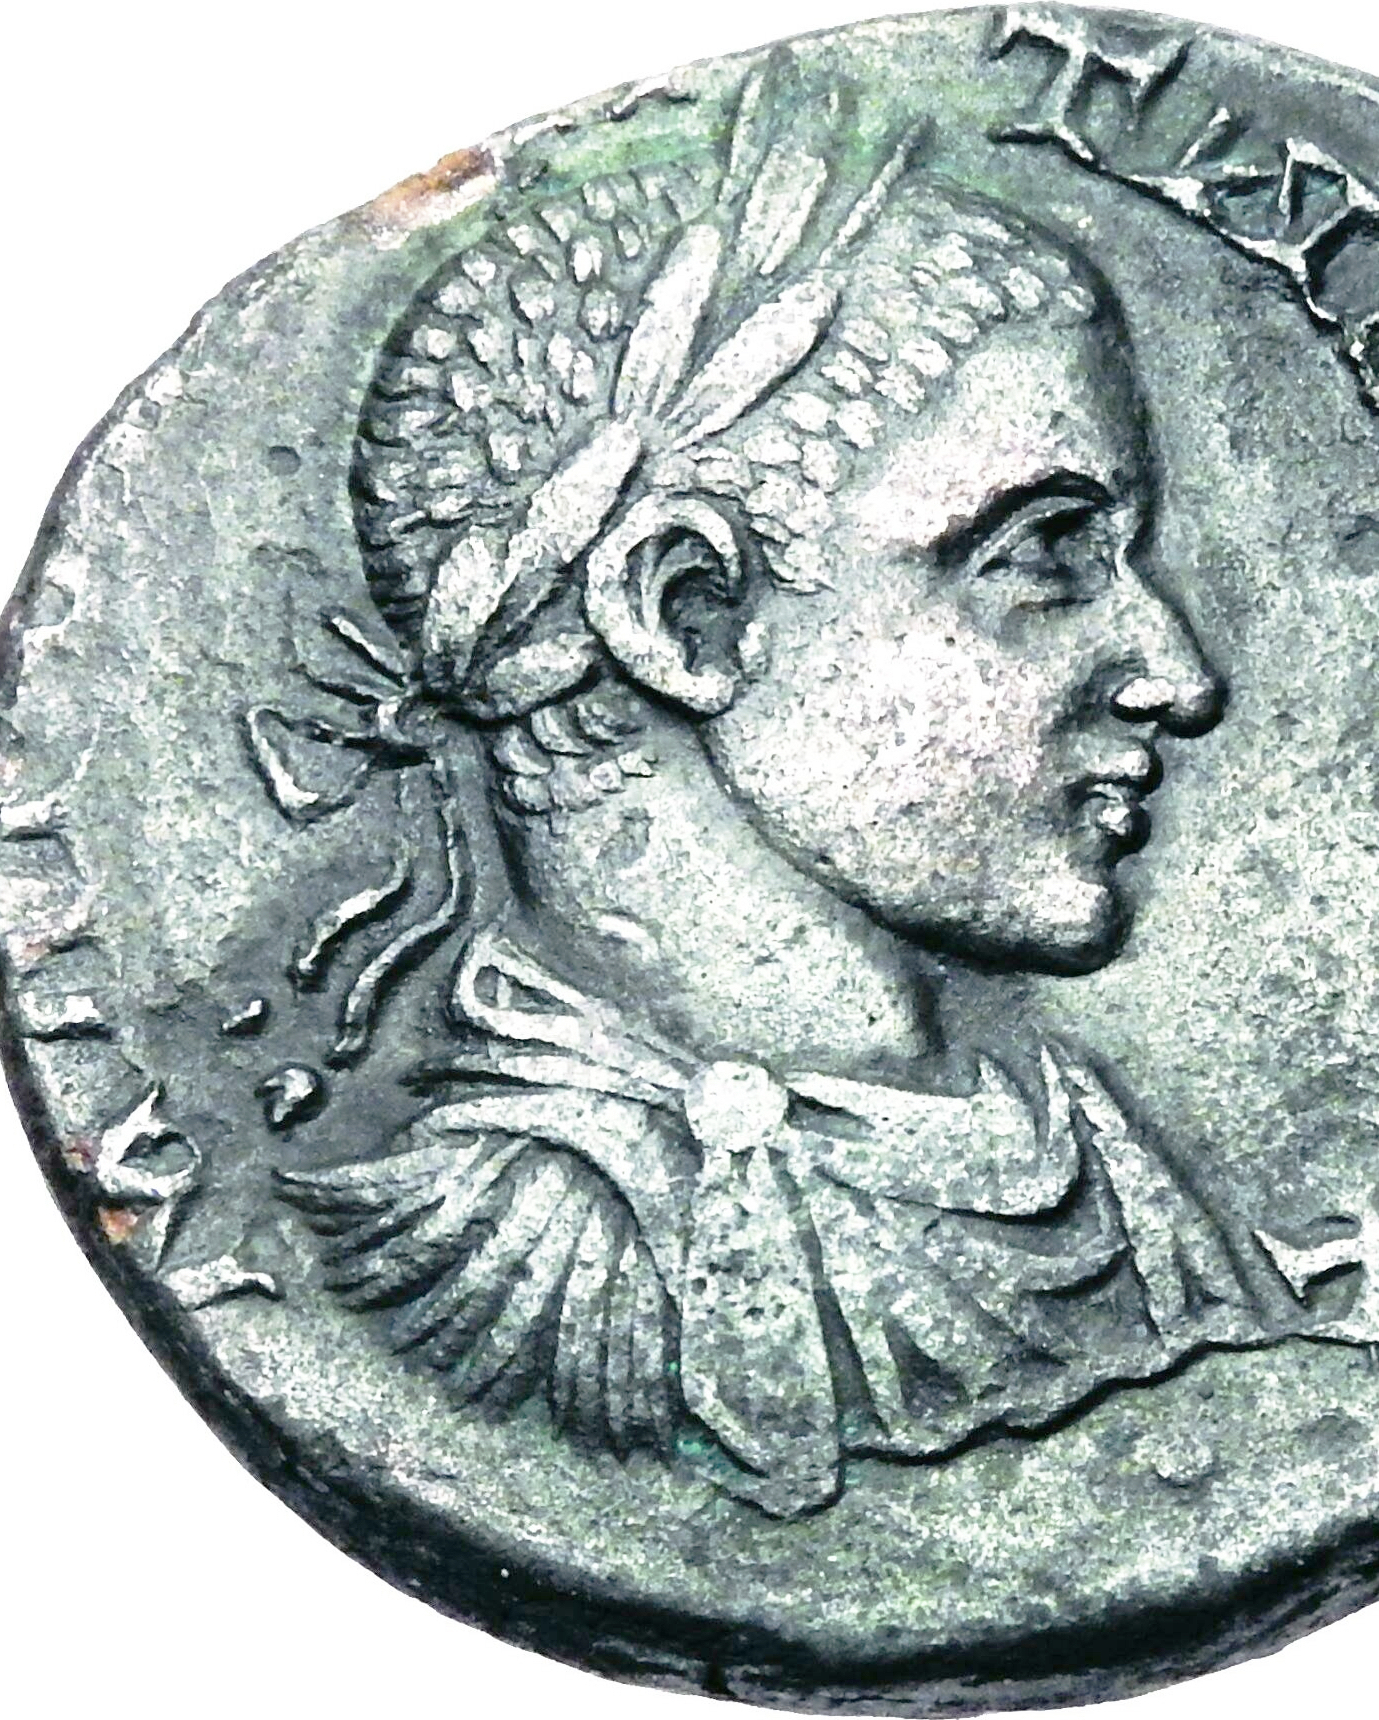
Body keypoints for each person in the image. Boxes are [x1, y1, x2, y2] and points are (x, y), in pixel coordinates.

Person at [277, 59, 1277, 1515]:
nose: (1179, 676)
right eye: (1041, 556)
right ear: (687, 616)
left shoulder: (1065, 1150)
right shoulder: (538, 1262)